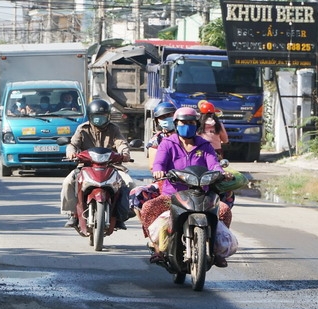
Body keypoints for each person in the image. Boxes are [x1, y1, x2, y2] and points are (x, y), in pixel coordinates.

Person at [139, 107, 234, 267]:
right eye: (183, 122)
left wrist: (221, 173)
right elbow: (159, 163)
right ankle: (158, 249)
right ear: (176, 124)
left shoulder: (204, 145)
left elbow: (213, 164)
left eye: (191, 122)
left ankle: (217, 251)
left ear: (197, 124)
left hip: (201, 195)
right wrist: (158, 171)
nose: (187, 125)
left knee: (224, 211)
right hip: (172, 196)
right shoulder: (167, 144)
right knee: (148, 207)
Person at [60, 99, 134, 229]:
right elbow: (73, 144)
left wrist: (125, 153)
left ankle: (121, 214)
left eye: (103, 117)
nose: (99, 120)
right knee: (68, 182)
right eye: (96, 117)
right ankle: (72, 214)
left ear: (109, 116)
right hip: (86, 166)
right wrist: (71, 152)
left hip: (111, 166)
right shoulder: (82, 129)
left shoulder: (114, 129)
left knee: (129, 183)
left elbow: (121, 143)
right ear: (90, 116)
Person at [146, 102, 177, 170]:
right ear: (158, 121)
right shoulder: (156, 139)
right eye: (163, 117)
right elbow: (152, 166)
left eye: (169, 115)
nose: (166, 119)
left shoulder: (184, 137)